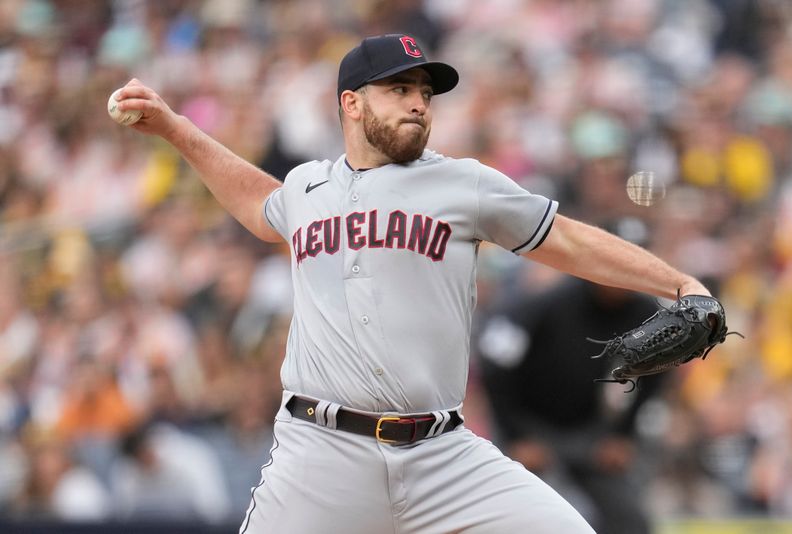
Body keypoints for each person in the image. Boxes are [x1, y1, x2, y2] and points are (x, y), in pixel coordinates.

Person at [112, 34, 711, 534]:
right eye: (399, 89)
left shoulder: (463, 184)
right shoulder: (307, 188)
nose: (419, 103)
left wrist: (678, 281)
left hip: (441, 453)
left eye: (425, 92)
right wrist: (174, 129)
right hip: (321, 454)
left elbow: (571, 240)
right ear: (351, 103)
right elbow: (259, 204)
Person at [477, 218, 665, 534]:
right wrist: (516, 436)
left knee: (631, 520)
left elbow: (659, 371)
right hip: (529, 428)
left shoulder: (646, 314)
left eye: (637, 258)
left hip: (589, 433)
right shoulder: (546, 304)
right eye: (616, 259)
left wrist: (623, 434)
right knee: (534, 521)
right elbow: (496, 365)